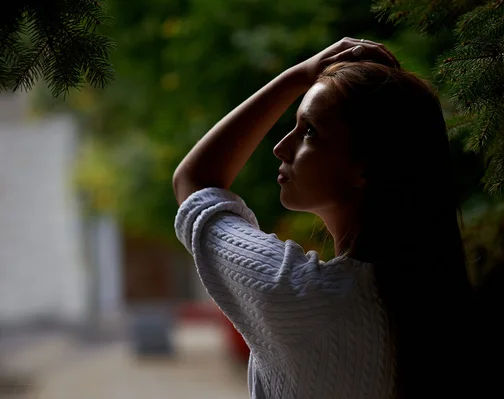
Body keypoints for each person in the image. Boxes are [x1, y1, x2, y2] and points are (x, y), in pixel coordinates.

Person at [173, 37, 473, 399]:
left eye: (309, 131)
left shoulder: (302, 297)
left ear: (366, 167)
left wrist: (296, 77)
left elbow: (196, 183)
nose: (281, 147)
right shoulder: (443, 309)